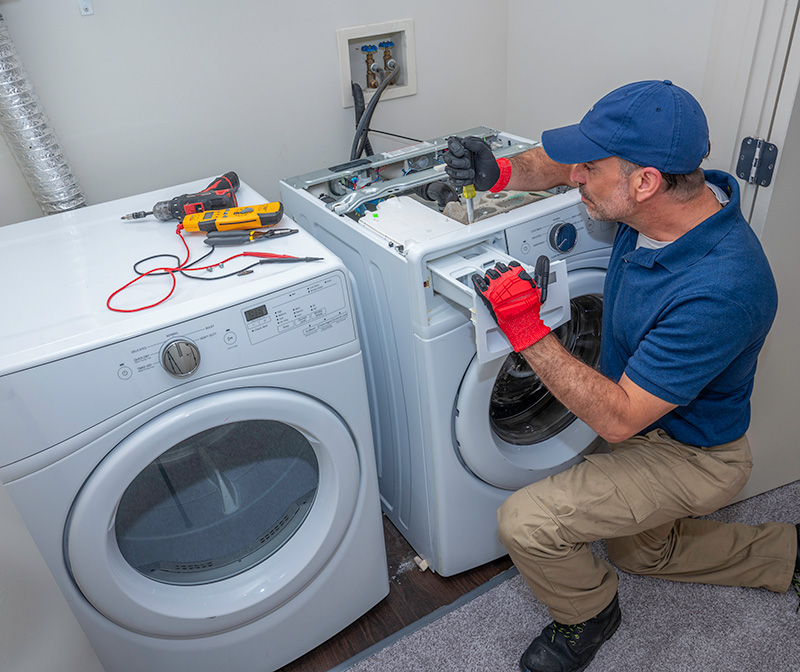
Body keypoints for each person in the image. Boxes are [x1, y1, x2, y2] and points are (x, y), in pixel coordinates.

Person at [444, 80, 800, 672]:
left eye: (590, 167)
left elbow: (617, 419)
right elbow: (557, 166)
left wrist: (525, 329)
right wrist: (498, 171)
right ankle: (786, 553)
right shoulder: (666, 200)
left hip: (692, 454)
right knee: (642, 557)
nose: (575, 175)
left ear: (644, 182)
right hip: (646, 420)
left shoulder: (725, 288)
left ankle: (590, 615)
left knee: (527, 523)